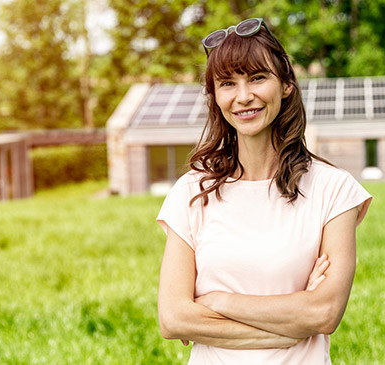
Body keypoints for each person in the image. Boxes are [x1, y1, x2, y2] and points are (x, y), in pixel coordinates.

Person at [156, 18, 372, 364]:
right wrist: (292, 324)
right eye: (227, 83)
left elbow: (326, 312)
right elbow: (174, 318)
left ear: (286, 84)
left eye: (257, 78)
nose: (244, 97)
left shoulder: (333, 189)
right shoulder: (191, 193)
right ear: (215, 95)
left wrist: (217, 302)